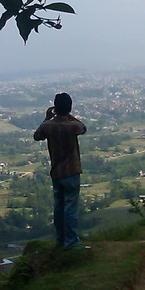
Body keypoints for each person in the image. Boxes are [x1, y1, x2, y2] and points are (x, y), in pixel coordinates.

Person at [33, 92, 88, 250]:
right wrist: (68, 115)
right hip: (71, 170)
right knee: (70, 207)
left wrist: (47, 118)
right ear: (69, 108)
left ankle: (60, 239)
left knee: (59, 206)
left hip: (56, 171)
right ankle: (70, 241)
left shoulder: (48, 126)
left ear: (55, 108)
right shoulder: (73, 126)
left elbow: (37, 136)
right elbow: (83, 128)